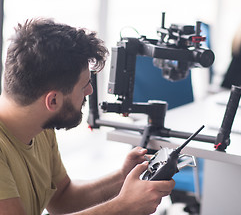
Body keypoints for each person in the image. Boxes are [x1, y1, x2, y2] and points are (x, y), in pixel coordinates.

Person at [0, 18, 175, 215]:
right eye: (84, 85)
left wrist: (122, 178)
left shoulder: (40, 125)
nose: (90, 91)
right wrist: (123, 206)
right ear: (53, 101)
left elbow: (62, 199)